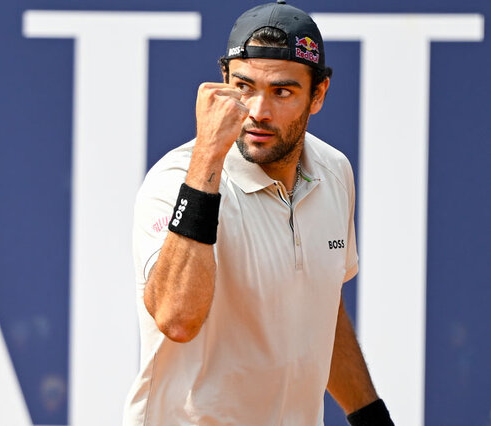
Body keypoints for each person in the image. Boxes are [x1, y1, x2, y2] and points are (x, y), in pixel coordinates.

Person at [122, 1, 395, 425]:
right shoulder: (177, 178)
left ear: (318, 94)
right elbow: (176, 319)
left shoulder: (334, 172)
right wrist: (208, 159)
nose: (258, 112)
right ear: (223, 82)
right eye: (244, 86)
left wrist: (369, 415)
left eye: (282, 92)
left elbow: (318, 304)